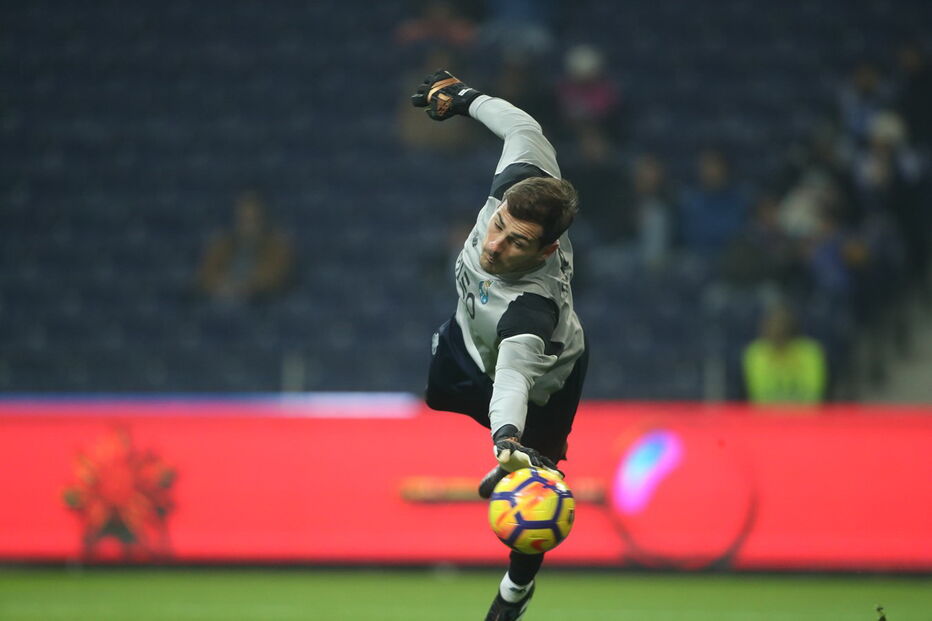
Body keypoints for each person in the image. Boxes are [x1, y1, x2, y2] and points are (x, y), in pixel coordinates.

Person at [411, 70, 587, 621]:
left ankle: (515, 590)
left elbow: (514, 377)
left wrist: (509, 436)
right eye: (499, 224)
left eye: (517, 242)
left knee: (543, 488)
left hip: (542, 382)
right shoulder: (523, 177)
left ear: (547, 249)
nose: (494, 245)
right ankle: (509, 454)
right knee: (436, 393)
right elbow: (521, 123)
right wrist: (463, 99)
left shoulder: (531, 309)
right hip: (468, 344)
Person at [196, 191, 294, 304]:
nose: (248, 223)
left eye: (253, 218)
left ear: (263, 218)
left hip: (257, 302)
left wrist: (242, 286)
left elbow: (275, 276)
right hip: (220, 298)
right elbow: (205, 274)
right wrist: (220, 285)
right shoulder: (221, 244)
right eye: (243, 218)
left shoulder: (277, 246)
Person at [742, 304, 828, 405]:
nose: (777, 331)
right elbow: (759, 398)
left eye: (782, 328)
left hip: (804, 418)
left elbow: (813, 397)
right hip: (767, 418)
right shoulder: (756, 353)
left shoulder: (810, 352)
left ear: (792, 329)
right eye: (772, 327)